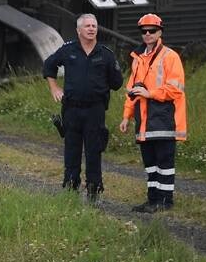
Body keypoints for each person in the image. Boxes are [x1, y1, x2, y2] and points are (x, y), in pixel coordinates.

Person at [42, 13, 123, 202]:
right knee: (72, 150)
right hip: (71, 109)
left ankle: (94, 190)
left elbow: (117, 82)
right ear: (79, 30)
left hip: (95, 110)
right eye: (87, 26)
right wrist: (54, 87)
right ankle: (71, 187)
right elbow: (48, 66)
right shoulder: (68, 50)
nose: (91, 28)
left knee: (94, 151)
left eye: (94, 25)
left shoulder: (105, 54)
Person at [120, 13, 187, 213]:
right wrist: (126, 116)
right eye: (144, 31)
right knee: (150, 163)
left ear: (160, 32)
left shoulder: (170, 56)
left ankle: (165, 201)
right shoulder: (138, 58)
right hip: (144, 119)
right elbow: (132, 90)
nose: (147, 34)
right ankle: (152, 200)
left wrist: (151, 93)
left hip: (165, 118)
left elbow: (176, 88)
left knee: (164, 162)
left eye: (152, 31)